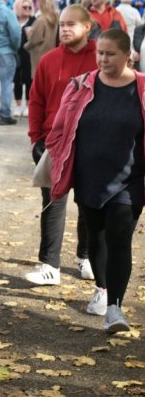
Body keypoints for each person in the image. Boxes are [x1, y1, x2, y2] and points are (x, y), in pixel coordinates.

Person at [47, 28, 143, 333]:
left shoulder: (141, 88)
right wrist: (55, 154)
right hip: (89, 177)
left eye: (110, 54)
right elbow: (60, 128)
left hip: (130, 180)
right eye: (99, 53)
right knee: (97, 238)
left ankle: (114, 307)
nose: (102, 59)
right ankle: (102, 288)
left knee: (119, 237)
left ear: (128, 55)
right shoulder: (80, 86)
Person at [25, 4, 97, 286]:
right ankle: (49, 265)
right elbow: (37, 100)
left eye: (72, 24)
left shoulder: (100, 58)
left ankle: (86, 256)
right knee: (52, 203)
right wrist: (35, 138)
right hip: (53, 143)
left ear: (87, 27)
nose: (65, 29)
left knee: (89, 202)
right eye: (63, 24)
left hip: (91, 143)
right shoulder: (49, 60)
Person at [24, 0, 58, 102]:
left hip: (39, 54)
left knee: (38, 83)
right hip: (51, 53)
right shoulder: (55, 19)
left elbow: (35, 39)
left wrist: (26, 45)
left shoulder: (41, 20)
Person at [13, 0, 36, 117]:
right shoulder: (13, 19)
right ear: (18, 7)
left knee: (29, 80)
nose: (27, 9)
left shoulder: (34, 21)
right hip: (15, 54)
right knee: (16, 80)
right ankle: (17, 106)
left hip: (29, 54)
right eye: (24, 7)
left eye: (29, 7)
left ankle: (27, 106)